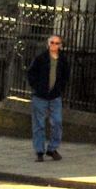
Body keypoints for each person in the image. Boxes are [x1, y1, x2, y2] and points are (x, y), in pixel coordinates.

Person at [24, 34, 67, 162]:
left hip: (55, 96)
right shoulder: (40, 58)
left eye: (57, 43)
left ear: (60, 45)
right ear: (48, 44)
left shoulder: (63, 60)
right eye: (52, 42)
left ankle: (52, 148)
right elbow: (31, 73)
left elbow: (65, 76)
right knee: (39, 124)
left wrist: (59, 88)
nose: (54, 45)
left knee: (57, 122)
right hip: (40, 96)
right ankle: (39, 151)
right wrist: (37, 87)